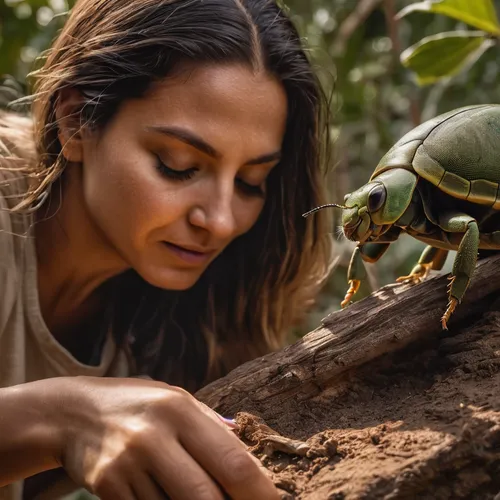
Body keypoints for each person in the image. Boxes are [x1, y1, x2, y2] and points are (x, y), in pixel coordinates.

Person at [0, 0, 335, 498]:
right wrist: (62, 416)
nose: (220, 221)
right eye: (177, 165)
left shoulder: (198, 317)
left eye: (250, 182)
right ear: (76, 121)